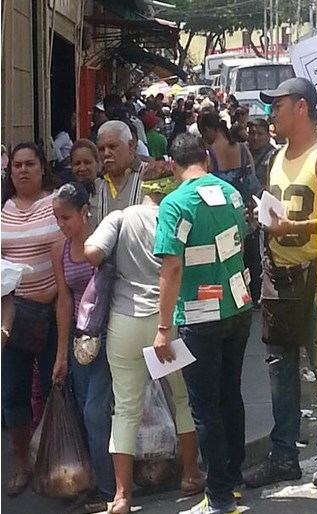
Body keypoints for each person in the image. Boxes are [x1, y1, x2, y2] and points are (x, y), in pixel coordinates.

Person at [244, 78, 317, 488]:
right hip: (278, 277)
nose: (272, 114)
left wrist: (297, 225)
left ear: (302, 108)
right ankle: (285, 455)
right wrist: (266, 222)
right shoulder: (276, 157)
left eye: (278, 106)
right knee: (280, 370)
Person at [84, 169, 205, 514]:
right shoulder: (178, 217)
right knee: (182, 397)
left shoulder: (120, 217)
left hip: (124, 322)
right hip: (165, 322)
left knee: (124, 408)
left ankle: (122, 495)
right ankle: (191, 474)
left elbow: (92, 251)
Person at [153, 133, 253, 514]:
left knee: (204, 407)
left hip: (198, 317)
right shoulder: (231, 193)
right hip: (237, 306)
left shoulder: (175, 205)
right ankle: (233, 480)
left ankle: (221, 497)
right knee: (231, 395)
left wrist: (163, 328)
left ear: (172, 164)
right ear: (207, 160)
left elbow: (171, 266)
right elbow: (242, 242)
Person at [1, 143, 63, 497]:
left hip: (54, 314)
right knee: (13, 395)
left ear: (42, 168)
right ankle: (23, 463)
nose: (23, 171)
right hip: (14, 315)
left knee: (59, 389)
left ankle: (58, 459)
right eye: (17, 166)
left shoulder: (55, 204)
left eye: (30, 164)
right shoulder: (2, 209)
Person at [50, 180, 116, 508]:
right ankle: (93, 481)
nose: (61, 225)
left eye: (66, 218)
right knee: (83, 411)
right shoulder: (59, 250)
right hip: (79, 343)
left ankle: (107, 490)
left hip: (106, 338)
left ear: (85, 213)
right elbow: (64, 301)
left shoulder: (100, 244)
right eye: (57, 218)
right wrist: (62, 354)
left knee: (95, 414)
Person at [198, 110, 262, 305]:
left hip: (220, 215)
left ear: (209, 130)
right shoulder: (243, 149)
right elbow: (253, 180)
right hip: (244, 211)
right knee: (250, 257)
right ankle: (252, 295)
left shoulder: (208, 154)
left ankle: (230, 298)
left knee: (225, 259)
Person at [93, 120, 144, 225]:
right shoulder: (95, 186)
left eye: (112, 147)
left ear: (131, 146)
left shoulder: (151, 177)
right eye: (102, 149)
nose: (106, 154)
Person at [247, 118, 277, 188]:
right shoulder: (243, 153)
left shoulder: (274, 155)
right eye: (252, 133)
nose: (255, 138)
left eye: (260, 134)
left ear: (268, 136)